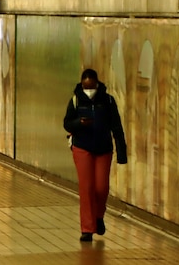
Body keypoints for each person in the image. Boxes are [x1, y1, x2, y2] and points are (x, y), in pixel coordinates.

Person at [63, 68, 127, 243]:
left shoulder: (107, 101)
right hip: (82, 148)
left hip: (103, 149)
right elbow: (67, 123)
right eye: (86, 87)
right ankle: (87, 229)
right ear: (82, 85)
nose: (89, 91)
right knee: (87, 188)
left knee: (101, 188)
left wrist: (122, 152)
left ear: (97, 85)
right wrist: (79, 123)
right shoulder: (76, 100)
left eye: (91, 87)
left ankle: (99, 216)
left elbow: (117, 127)